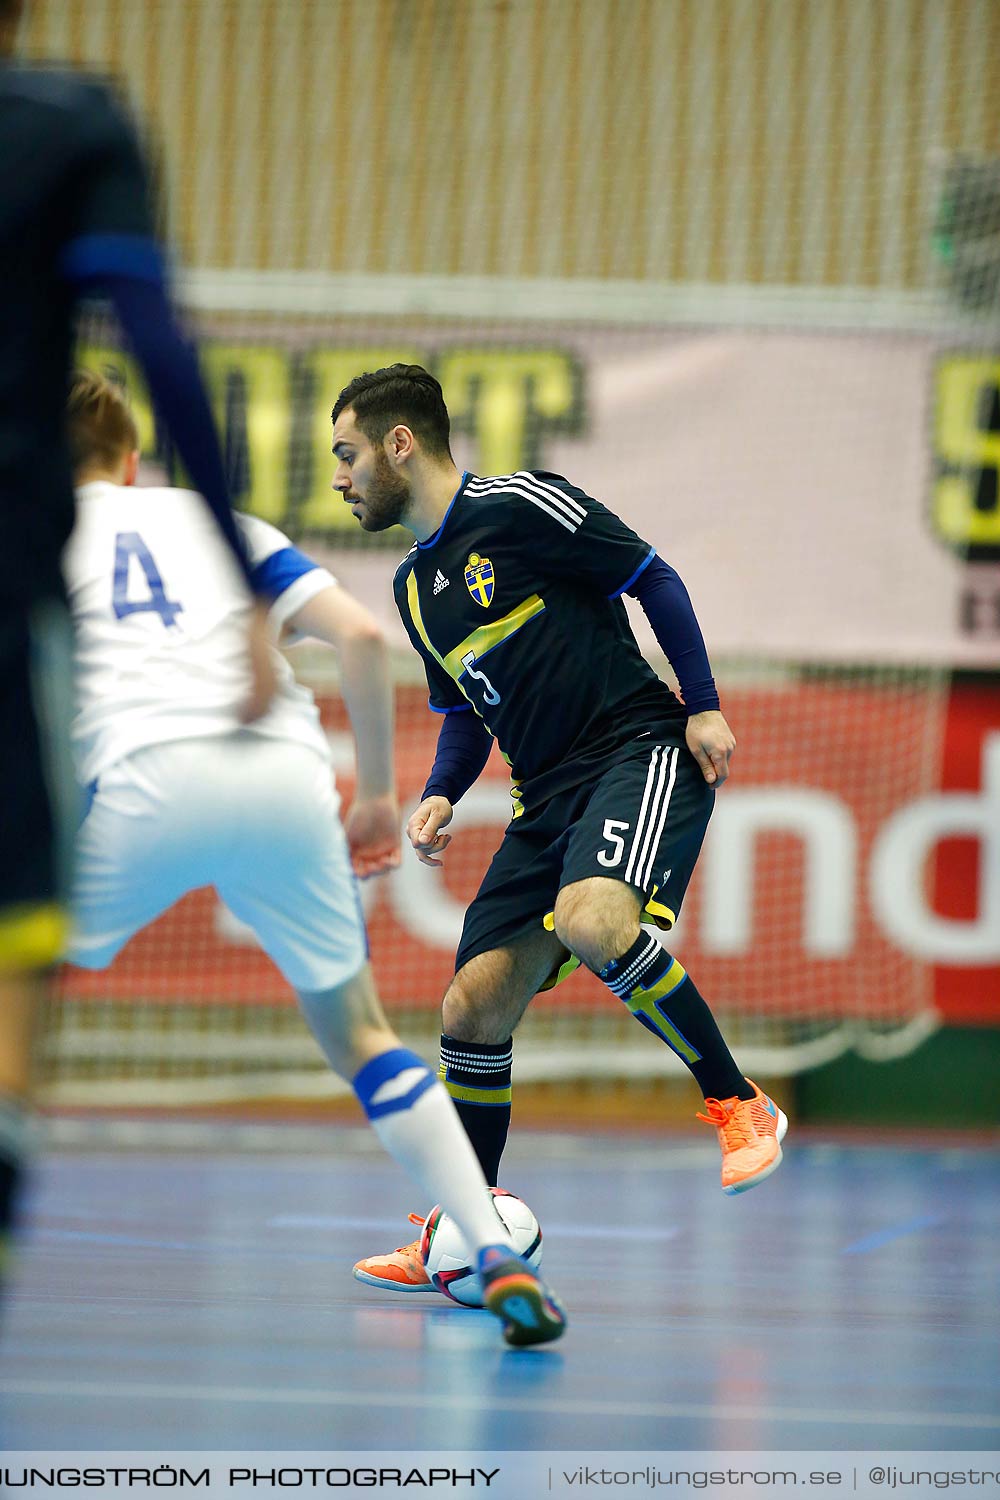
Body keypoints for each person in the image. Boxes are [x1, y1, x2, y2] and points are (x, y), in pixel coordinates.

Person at [59, 371, 566, 1347]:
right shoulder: (225, 525)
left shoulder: (33, 534)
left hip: (141, 774)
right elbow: (365, 638)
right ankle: (488, 1245)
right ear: (133, 461)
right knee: (366, 1042)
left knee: (19, 980)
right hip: (286, 775)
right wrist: (375, 796)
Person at [330, 363, 788, 1294]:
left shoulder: (523, 505)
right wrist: (441, 791)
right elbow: (465, 709)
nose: (340, 477)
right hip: (544, 796)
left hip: (636, 748)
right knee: (470, 1007)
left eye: (348, 454)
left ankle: (739, 1103)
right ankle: (466, 1229)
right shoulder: (418, 587)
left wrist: (701, 704)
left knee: (592, 918)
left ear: (400, 442)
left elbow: (651, 576)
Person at [0, 0, 275, 1304]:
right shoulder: (70, 126)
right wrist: (242, 580)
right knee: (13, 944)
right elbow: (161, 348)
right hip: (9, 601)